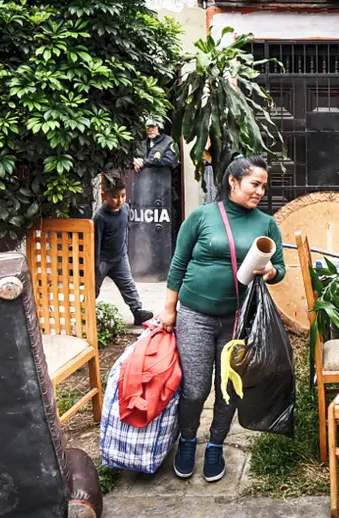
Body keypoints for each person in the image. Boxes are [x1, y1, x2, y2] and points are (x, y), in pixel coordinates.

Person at [158, 156, 285, 483]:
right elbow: (178, 263)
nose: (260, 191)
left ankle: (215, 444)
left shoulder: (266, 223)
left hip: (239, 319)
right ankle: (187, 440)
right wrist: (169, 308)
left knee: (229, 388)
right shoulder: (202, 216)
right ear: (233, 181)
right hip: (194, 315)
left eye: (263, 186)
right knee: (196, 388)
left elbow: (280, 268)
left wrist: (270, 271)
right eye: (254, 184)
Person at [93, 175, 153, 326]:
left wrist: (124, 251)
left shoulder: (125, 209)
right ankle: (85, 313)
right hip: (103, 260)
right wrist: (95, 265)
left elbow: (124, 230)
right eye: (114, 197)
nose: (120, 200)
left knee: (128, 285)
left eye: (123, 196)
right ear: (103, 196)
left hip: (119, 258)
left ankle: (137, 311)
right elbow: (95, 242)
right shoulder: (100, 217)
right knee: (93, 288)